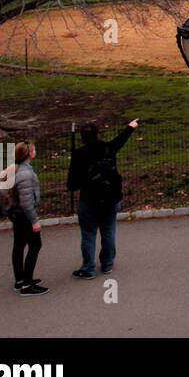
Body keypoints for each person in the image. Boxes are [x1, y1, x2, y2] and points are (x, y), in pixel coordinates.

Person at [67, 119, 139, 279]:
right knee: (108, 230)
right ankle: (107, 263)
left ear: (82, 138)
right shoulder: (108, 148)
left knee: (88, 234)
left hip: (89, 199)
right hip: (110, 198)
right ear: (98, 135)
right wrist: (130, 127)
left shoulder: (78, 155)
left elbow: (72, 184)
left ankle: (88, 268)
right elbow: (120, 140)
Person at [7, 142, 46, 296]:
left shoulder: (14, 170)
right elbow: (27, 201)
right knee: (35, 245)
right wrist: (34, 220)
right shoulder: (25, 173)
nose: (35, 151)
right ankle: (27, 285)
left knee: (19, 245)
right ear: (29, 153)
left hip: (16, 213)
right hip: (24, 215)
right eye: (34, 149)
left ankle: (20, 280)